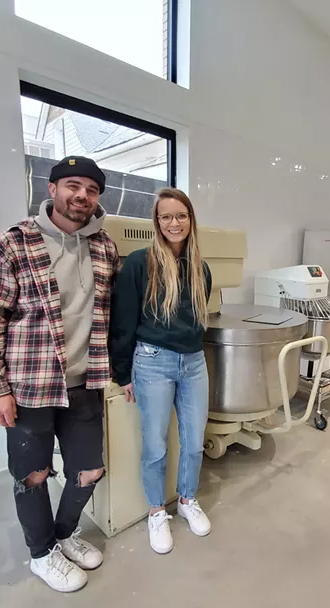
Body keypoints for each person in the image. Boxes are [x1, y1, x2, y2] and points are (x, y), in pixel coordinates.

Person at [0, 156, 120, 593]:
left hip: (85, 384)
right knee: (32, 475)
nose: (82, 196)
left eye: (91, 190)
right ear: (51, 189)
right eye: (73, 185)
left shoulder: (105, 248)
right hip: (30, 386)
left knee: (89, 470)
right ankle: (41, 553)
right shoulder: (12, 244)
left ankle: (64, 532)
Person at [110, 187, 213, 554]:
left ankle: (186, 500)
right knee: (155, 445)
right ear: (157, 221)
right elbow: (122, 321)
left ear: (190, 221)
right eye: (166, 216)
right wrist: (122, 373)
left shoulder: (200, 267)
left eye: (180, 216)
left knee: (194, 439)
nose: (174, 222)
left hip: (194, 362)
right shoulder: (140, 263)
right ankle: (157, 511)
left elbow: (197, 318)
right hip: (152, 361)